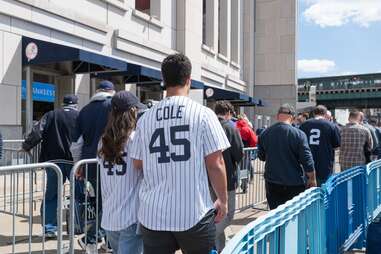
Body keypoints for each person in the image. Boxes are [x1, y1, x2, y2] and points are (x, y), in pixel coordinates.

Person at [130, 53, 230, 254]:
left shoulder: (145, 118)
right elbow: (215, 163)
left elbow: (138, 163)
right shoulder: (203, 114)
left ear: (164, 81)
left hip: (153, 212)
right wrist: (223, 200)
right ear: (188, 80)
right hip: (193, 212)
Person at [22, 95, 79, 238]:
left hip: (53, 161)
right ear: (76, 104)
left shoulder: (51, 115)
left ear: (62, 103)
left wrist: (26, 146)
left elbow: (37, 131)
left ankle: (50, 229)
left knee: (52, 195)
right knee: (78, 195)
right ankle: (78, 226)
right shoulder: (80, 115)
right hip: (75, 161)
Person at [98, 91, 146, 254]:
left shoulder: (103, 140)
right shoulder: (135, 138)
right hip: (131, 215)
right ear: (132, 111)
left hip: (110, 215)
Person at [72, 80, 115, 252]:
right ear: (112, 91)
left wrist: (79, 165)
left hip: (89, 164)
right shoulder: (114, 106)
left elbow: (76, 144)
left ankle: (106, 241)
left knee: (99, 203)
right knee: (111, 203)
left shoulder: (84, 111)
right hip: (111, 163)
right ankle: (93, 238)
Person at [257, 104, 317, 210]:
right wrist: (312, 178)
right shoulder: (299, 134)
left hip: (272, 181)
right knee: (293, 215)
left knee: (275, 214)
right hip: (294, 182)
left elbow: (261, 156)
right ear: (293, 118)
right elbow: (307, 160)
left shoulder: (265, 133)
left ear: (277, 116)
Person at [213, 101, 244, 252]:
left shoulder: (208, 124)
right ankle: (208, 238)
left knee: (214, 216)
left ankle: (220, 249)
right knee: (227, 215)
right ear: (229, 113)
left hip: (206, 178)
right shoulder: (230, 127)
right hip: (226, 179)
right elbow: (239, 153)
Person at [299, 105, 341, 186]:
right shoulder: (331, 126)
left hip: (307, 162)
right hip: (325, 164)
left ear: (314, 113)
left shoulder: (304, 125)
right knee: (324, 190)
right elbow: (337, 145)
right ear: (325, 114)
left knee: (308, 190)